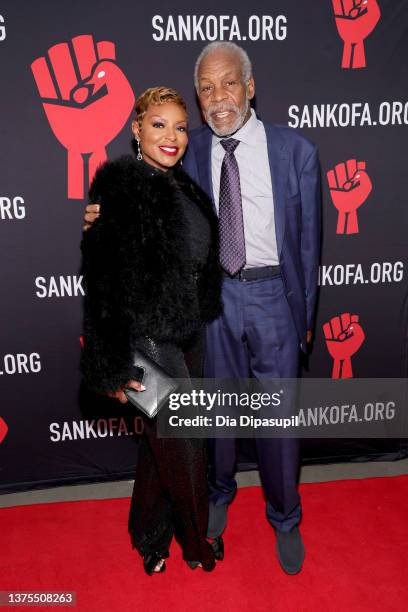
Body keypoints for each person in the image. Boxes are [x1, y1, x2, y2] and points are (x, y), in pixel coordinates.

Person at [84, 42, 321, 576]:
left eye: (229, 84)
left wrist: (304, 320)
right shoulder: (187, 152)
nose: (219, 98)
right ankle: (218, 494)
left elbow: (310, 247)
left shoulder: (295, 151)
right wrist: (102, 219)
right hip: (212, 304)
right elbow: (137, 190)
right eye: (207, 89)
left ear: (250, 86)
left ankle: (285, 517)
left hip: (273, 297)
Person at [81, 86, 223, 575]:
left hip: (188, 331)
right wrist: (112, 365)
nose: (172, 136)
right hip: (146, 337)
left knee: (162, 441)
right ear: (136, 130)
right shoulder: (120, 187)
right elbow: (102, 285)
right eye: (159, 124)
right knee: (185, 442)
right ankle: (196, 543)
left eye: (181, 127)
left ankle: (147, 533)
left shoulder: (184, 186)